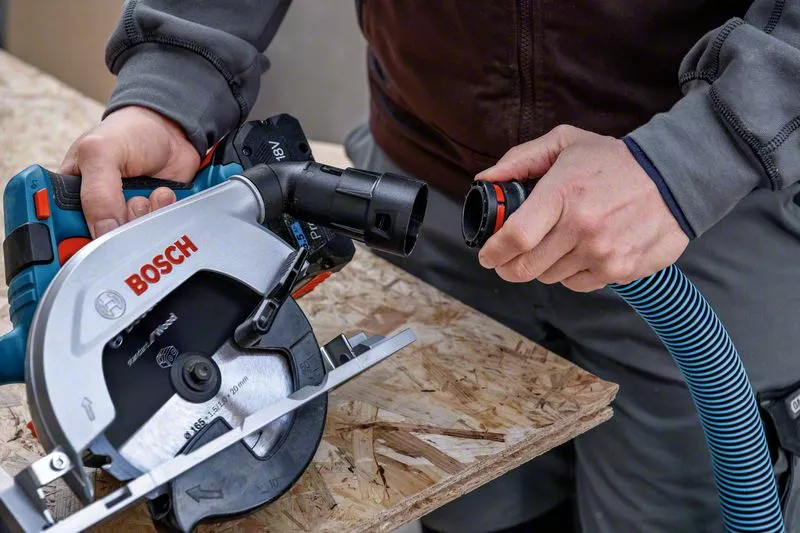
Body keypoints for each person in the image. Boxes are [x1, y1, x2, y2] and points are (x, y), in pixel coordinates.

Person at [61, 1, 800, 531]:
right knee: (465, 504)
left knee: (684, 507)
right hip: (433, 183)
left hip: (702, 206)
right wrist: (173, 89)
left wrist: (696, 156)